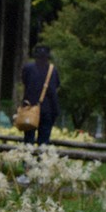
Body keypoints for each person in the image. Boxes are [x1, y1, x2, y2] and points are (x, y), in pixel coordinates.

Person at [16, 44, 61, 186]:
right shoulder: (52, 70)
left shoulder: (28, 68)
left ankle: (27, 173)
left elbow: (25, 83)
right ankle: (41, 174)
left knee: (28, 141)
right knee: (44, 143)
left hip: (30, 110)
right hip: (47, 110)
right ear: (48, 56)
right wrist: (56, 111)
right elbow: (53, 91)